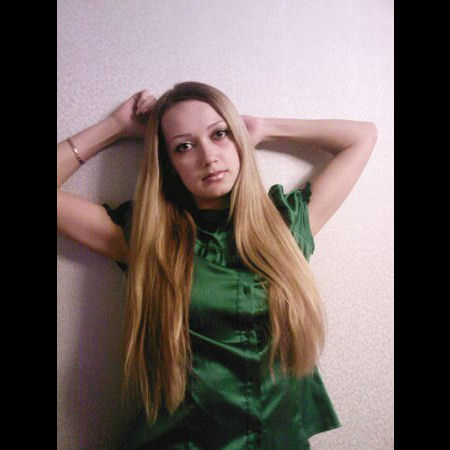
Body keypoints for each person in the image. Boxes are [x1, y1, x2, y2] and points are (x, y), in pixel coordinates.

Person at [57, 81, 377, 449]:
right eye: (184, 146)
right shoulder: (150, 240)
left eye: (219, 134)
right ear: (169, 164)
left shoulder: (284, 228)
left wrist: (261, 128)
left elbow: (362, 136)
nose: (208, 157)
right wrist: (115, 127)